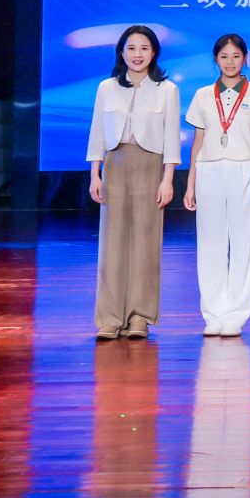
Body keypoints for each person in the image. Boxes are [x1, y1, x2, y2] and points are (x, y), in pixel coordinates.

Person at [87, 24, 182, 339]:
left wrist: (167, 179)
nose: (137, 54)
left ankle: (139, 316)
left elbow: (171, 139)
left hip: (150, 165)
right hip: (115, 165)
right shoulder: (106, 87)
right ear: (122, 52)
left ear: (154, 53)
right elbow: (97, 133)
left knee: (145, 242)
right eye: (131, 48)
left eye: (144, 48)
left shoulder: (167, 90)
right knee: (111, 243)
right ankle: (110, 318)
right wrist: (95, 173)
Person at [182, 33, 250, 335]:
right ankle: (213, 314)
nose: (230, 62)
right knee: (210, 243)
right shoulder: (202, 95)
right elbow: (197, 141)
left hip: (245, 169)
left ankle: (236, 314)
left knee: (244, 242)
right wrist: (190, 183)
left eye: (236, 56)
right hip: (209, 170)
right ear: (216, 60)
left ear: (245, 59)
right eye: (224, 57)